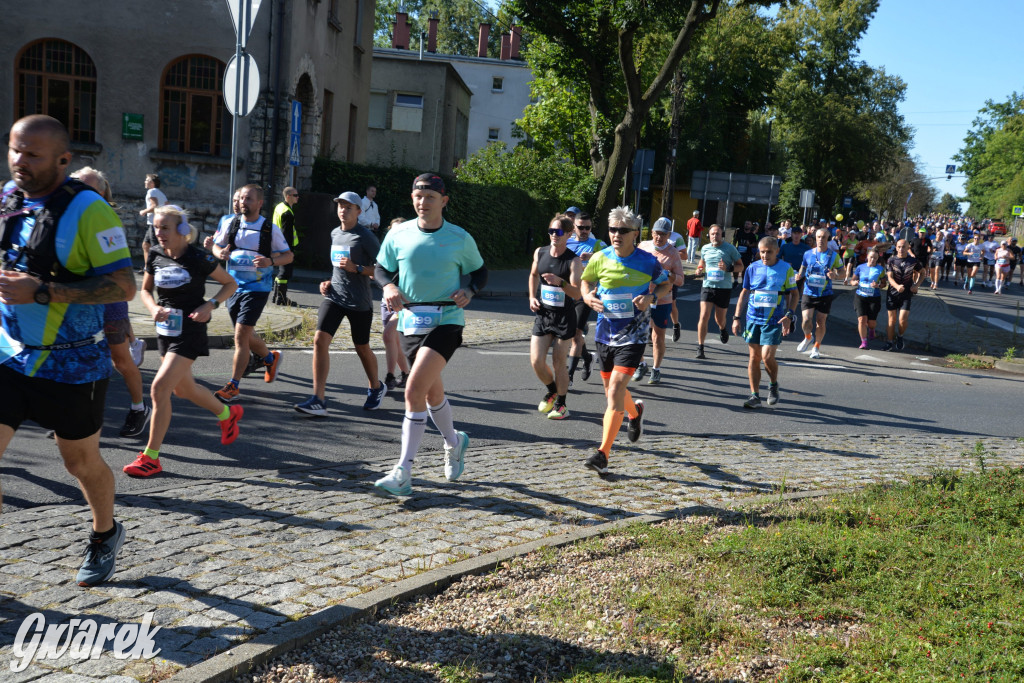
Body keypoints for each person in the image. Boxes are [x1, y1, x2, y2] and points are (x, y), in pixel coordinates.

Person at [0, 114, 136, 586]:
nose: (20, 161)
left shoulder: (90, 210)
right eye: (15, 149)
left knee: (79, 462)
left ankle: (105, 533)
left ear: (63, 159)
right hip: (9, 356)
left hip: (73, 364)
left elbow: (124, 285)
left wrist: (41, 293)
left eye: (32, 154)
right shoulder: (8, 197)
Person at [372, 173, 486, 497]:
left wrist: (470, 289)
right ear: (412, 199)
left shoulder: (459, 237)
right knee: (433, 394)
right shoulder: (399, 233)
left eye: (430, 197)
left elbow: (480, 271)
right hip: (410, 322)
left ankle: (404, 470)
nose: (423, 202)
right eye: (418, 196)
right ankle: (454, 442)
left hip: (447, 319)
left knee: (414, 389)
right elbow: (381, 267)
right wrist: (389, 285)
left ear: (444, 201)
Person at [123, 206, 241, 477]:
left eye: (165, 227)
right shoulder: (154, 253)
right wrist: (153, 309)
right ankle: (227, 414)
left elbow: (230, 284)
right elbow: (145, 290)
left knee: (159, 388)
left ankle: (151, 457)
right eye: (156, 227)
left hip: (191, 329)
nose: (159, 233)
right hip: (166, 330)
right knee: (183, 390)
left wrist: (210, 305)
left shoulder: (198, 257)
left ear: (182, 230)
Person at [580, 206, 670, 477]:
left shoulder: (647, 261)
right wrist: (587, 298)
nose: (616, 235)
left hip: (634, 334)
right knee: (612, 392)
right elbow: (585, 283)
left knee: (616, 388)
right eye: (612, 230)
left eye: (622, 231)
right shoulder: (600, 257)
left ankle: (603, 453)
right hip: (605, 333)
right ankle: (635, 412)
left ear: (635, 234)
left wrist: (651, 298)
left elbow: (667, 285)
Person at [72, 167, 149, 437]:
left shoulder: (106, 220)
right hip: (78, 303)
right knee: (78, 359)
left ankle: (138, 408)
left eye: (91, 189)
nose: (83, 193)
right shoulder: (65, 217)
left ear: (103, 193)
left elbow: (117, 273)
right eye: (79, 186)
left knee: (120, 360)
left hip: (109, 303)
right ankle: (76, 416)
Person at [294, 191, 386, 416]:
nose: (343, 210)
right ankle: (318, 399)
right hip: (334, 297)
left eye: (348, 207)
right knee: (319, 340)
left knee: (361, 347)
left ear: (358, 211)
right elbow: (337, 267)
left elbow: (385, 268)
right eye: (340, 206)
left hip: (359, 302)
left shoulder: (364, 236)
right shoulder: (335, 233)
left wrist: (360, 269)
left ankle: (376, 386)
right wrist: (327, 282)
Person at [210, 184, 293, 403]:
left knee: (240, 335)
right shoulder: (231, 223)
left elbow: (289, 256)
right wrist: (222, 253)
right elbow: (216, 248)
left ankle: (233, 385)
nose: (243, 202)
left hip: (258, 289)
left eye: (249, 199)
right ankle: (269, 358)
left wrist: (270, 261)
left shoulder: (269, 229)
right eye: (242, 198)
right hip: (233, 287)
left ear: (259, 203)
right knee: (247, 334)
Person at [732, 237, 797, 408]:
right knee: (754, 357)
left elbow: (794, 294)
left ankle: (773, 384)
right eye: (762, 252)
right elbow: (744, 293)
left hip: (774, 320)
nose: (765, 255)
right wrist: (737, 317)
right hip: (753, 318)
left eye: (769, 252)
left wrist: (790, 314)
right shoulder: (752, 268)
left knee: (767, 357)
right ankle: (754, 396)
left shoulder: (786, 269)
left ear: (776, 251)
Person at [528, 214, 582, 418]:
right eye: (551, 231)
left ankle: (561, 404)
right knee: (536, 361)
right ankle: (551, 390)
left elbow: (577, 294)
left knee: (559, 362)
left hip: (564, 317)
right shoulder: (540, 252)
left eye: (558, 232)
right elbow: (533, 274)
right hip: (543, 314)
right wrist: (532, 297)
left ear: (568, 234)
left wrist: (560, 282)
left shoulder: (573, 261)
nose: (553, 235)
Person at [633, 220, 684, 383]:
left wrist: (669, 275)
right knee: (637, 334)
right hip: (641, 297)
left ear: (669, 235)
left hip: (662, 299)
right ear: (652, 233)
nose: (659, 237)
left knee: (657, 337)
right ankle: (641, 364)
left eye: (663, 234)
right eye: (656, 233)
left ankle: (656, 368)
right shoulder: (643, 246)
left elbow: (681, 280)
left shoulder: (673, 253)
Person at [693, 224, 743, 359]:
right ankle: (700, 347)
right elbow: (702, 263)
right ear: (709, 235)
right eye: (713, 234)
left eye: (718, 234)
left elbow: (741, 266)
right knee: (703, 316)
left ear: (722, 235)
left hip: (724, 288)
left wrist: (728, 268)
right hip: (708, 286)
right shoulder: (705, 248)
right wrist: (699, 269)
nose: (715, 236)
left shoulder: (730, 248)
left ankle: (722, 329)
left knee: (719, 319)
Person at [565, 212, 602, 386]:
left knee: (576, 334)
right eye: (581, 227)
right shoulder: (566, 242)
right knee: (570, 333)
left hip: (585, 295)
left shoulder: (598, 245)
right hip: (566, 293)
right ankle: (587, 358)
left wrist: (593, 257)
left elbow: (614, 260)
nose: (585, 230)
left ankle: (569, 376)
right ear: (574, 227)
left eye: (588, 227)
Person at [795, 228, 844, 359]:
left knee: (820, 322)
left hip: (825, 293)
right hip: (808, 291)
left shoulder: (834, 255)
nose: (820, 239)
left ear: (828, 238)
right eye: (818, 237)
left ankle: (816, 347)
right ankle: (808, 337)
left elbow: (843, 273)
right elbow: (803, 267)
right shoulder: (807, 253)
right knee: (806, 320)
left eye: (823, 237)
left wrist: (835, 275)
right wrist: (799, 275)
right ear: (815, 238)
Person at [381, 217, 410, 392]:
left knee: (388, 335)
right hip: (385, 302)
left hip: (403, 302)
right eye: (393, 230)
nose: (396, 233)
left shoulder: (409, 251)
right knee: (394, 341)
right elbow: (377, 271)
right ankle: (406, 374)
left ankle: (390, 376)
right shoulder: (386, 250)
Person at [883, 239, 922, 352]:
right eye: (899, 246)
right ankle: (889, 342)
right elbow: (889, 277)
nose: (901, 249)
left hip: (906, 294)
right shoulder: (891, 260)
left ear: (908, 247)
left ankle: (900, 336)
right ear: (896, 247)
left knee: (902, 320)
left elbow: (923, 272)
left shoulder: (913, 261)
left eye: (903, 247)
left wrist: (916, 285)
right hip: (892, 294)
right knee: (891, 321)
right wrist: (896, 286)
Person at [849, 249, 884, 348]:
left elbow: (884, 284)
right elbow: (852, 280)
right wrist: (854, 283)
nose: (872, 259)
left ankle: (872, 329)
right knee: (861, 320)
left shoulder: (880, 269)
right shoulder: (860, 267)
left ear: (877, 259)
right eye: (871, 257)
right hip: (860, 296)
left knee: (871, 323)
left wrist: (878, 285)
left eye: (875, 258)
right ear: (867, 257)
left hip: (874, 298)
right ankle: (864, 342)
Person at [271, 186, 300, 306]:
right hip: (285, 246)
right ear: (288, 196)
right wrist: (288, 251)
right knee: (285, 272)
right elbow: (286, 233)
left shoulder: (279, 207)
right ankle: (281, 299)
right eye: (295, 195)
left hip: (277, 243)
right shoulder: (287, 212)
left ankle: (276, 296)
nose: (298, 197)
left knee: (281, 271)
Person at [139, 173, 167, 267]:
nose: (145, 181)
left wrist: (144, 211)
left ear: (152, 183)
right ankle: (148, 267)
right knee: (146, 245)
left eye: (147, 180)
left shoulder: (151, 192)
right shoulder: (161, 193)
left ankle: (157, 268)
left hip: (154, 223)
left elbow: (155, 206)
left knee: (156, 247)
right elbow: (167, 205)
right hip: (158, 222)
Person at [732, 220, 759, 285]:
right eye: (746, 224)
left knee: (745, 267)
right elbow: (735, 240)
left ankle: (743, 281)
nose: (747, 225)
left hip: (747, 253)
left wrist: (749, 245)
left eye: (748, 224)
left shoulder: (752, 235)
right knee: (736, 265)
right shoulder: (739, 232)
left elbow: (755, 244)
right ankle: (735, 280)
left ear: (751, 226)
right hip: (738, 252)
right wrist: (734, 247)